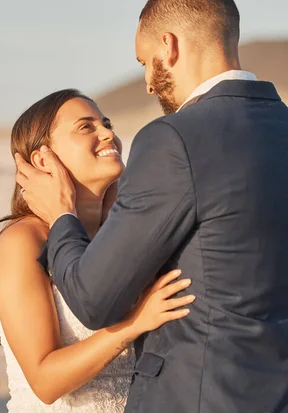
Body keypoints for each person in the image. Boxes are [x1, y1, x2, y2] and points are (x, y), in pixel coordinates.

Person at [14, 1, 288, 412]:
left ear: (169, 45)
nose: (147, 82)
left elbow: (93, 301)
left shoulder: (174, 139)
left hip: (198, 397)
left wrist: (61, 217)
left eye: (145, 61)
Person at [0, 88, 194, 412]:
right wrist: (134, 324)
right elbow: (45, 381)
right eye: (86, 127)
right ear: (43, 159)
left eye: (106, 123)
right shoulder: (22, 243)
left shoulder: (121, 236)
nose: (108, 133)